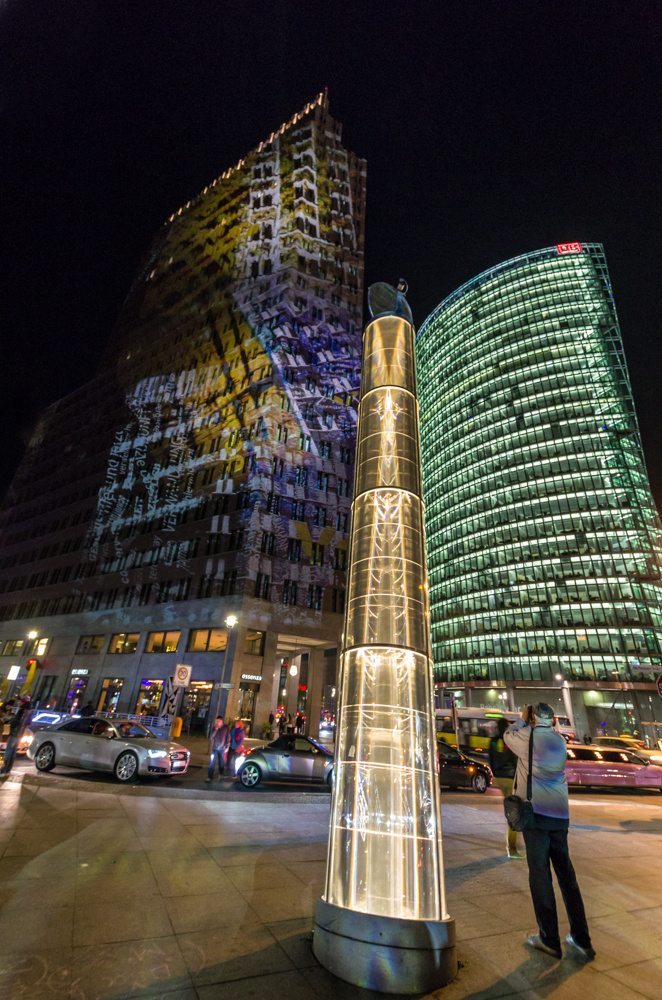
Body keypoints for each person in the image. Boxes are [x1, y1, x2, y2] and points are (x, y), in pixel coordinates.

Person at [504, 703, 595, 962]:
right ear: (553, 719)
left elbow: (507, 736)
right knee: (568, 879)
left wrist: (522, 721)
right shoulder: (560, 740)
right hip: (560, 817)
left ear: (533, 717)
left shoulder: (527, 735)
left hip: (537, 817)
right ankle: (581, 938)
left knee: (541, 878)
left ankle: (549, 940)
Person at [488, 717, 522, 859]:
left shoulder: (493, 742)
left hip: (500, 779)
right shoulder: (509, 741)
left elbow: (491, 759)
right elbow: (516, 761)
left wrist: (496, 774)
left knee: (510, 811)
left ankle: (512, 845)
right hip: (510, 779)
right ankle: (512, 849)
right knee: (514, 813)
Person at [1, 697, 30, 775]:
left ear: (23, 702)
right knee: (13, 752)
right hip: (20, 734)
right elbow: (27, 722)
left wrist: (11, 718)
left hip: (14, 733)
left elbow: (16, 722)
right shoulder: (29, 711)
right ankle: (7, 770)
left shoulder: (22, 711)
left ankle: (4, 769)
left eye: (20, 701)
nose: (18, 703)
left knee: (8, 752)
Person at [206, 716, 230, 782]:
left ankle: (221, 774)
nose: (217, 722)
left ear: (221, 721)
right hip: (215, 748)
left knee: (221, 762)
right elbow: (211, 737)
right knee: (212, 762)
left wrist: (227, 746)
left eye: (218, 721)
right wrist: (215, 730)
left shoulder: (225, 728)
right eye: (216, 721)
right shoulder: (215, 728)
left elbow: (228, 737)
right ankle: (209, 777)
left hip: (222, 749)